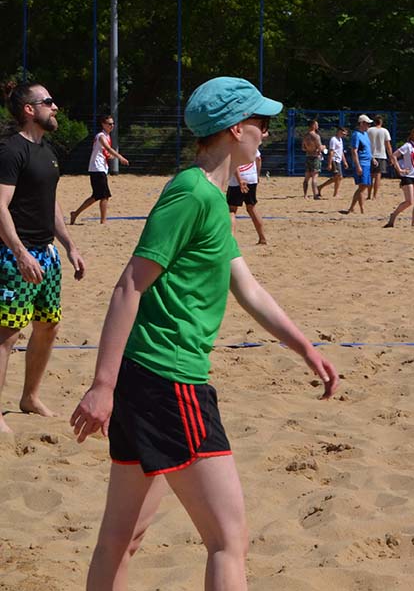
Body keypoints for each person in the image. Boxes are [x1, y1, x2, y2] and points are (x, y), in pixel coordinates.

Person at [69, 76, 339, 589]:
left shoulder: (212, 197)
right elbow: (129, 285)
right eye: (260, 122)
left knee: (122, 539)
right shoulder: (192, 192)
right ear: (234, 128)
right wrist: (102, 385)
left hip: (147, 378)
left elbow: (247, 287)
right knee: (227, 540)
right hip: (170, 380)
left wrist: (306, 348)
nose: (266, 131)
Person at [0, 82, 86, 433]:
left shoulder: (46, 150)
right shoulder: (11, 150)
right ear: (29, 110)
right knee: (7, 332)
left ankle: (30, 397)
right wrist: (19, 252)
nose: (55, 107)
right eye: (48, 102)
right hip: (14, 254)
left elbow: (50, 203)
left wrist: (69, 246)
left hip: (46, 254)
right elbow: (0, 206)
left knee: (49, 325)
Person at [70, 114, 130, 225]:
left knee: (97, 196)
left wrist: (109, 156)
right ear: (103, 124)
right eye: (109, 124)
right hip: (97, 168)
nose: (112, 125)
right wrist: (120, 157)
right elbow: (108, 148)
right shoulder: (101, 136)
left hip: (100, 168)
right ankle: (103, 221)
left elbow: (104, 151)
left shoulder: (107, 136)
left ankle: (75, 213)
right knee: (105, 195)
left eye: (113, 123)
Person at [385, 127, 414, 228]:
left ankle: (413, 223)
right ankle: (393, 215)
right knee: (409, 202)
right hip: (407, 176)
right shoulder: (408, 146)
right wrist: (399, 169)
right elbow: (394, 155)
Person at [227, 148, 266, 246]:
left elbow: (234, 163)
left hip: (237, 180)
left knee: (232, 210)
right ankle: (262, 238)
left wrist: (240, 180)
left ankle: (230, 240)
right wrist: (257, 175)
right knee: (251, 208)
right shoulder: (251, 144)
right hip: (252, 178)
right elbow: (258, 159)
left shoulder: (234, 145)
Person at [343, 115, 373, 215]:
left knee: (364, 186)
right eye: (367, 124)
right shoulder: (356, 135)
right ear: (361, 123)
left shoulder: (365, 134)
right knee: (362, 186)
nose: (368, 125)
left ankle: (352, 208)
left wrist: (372, 158)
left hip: (367, 163)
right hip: (362, 163)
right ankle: (361, 209)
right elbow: (354, 151)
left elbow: (367, 148)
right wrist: (358, 166)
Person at [317, 126, 349, 198]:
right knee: (339, 176)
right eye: (343, 133)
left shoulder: (340, 140)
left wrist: (344, 161)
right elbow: (331, 152)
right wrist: (329, 163)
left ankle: (321, 187)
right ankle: (335, 193)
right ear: (339, 131)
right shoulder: (333, 139)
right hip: (334, 160)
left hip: (338, 160)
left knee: (337, 177)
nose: (344, 135)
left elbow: (341, 151)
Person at [367, 115, 393, 201]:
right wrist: (391, 157)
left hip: (371, 155)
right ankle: (375, 195)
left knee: (370, 176)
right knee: (378, 176)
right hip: (381, 155)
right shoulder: (385, 131)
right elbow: (388, 146)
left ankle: (369, 195)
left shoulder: (369, 130)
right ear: (381, 122)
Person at [301, 120, 323, 200]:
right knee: (314, 177)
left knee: (306, 177)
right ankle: (315, 195)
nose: (318, 126)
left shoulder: (305, 136)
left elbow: (303, 148)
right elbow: (320, 148)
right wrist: (323, 147)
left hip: (308, 156)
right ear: (313, 125)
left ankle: (305, 195)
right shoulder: (316, 136)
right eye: (316, 124)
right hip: (315, 157)